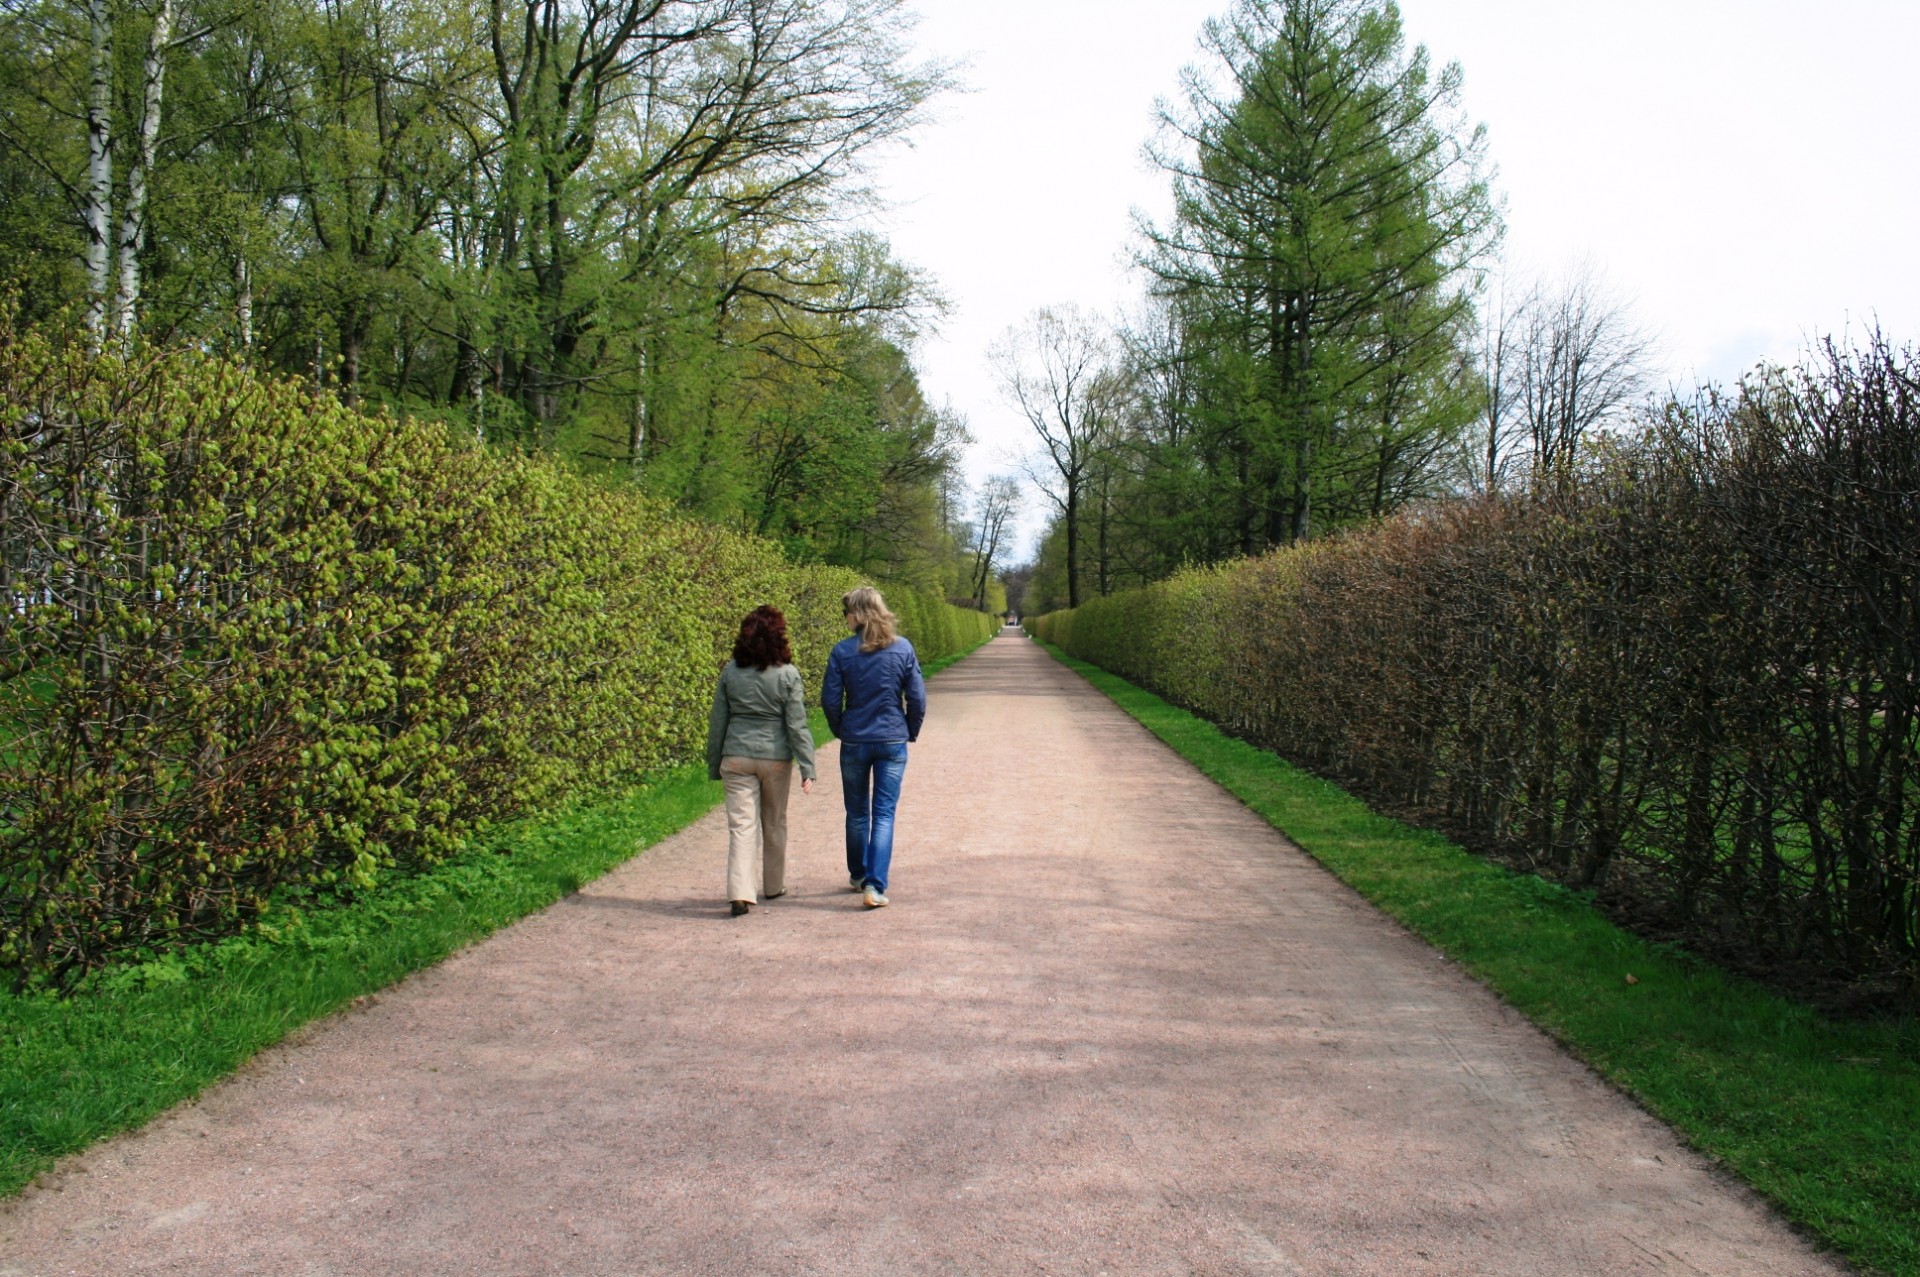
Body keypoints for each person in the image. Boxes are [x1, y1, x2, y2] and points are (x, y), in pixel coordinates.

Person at [706, 605, 816, 917]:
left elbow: (719, 722)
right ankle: (772, 885)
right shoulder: (788, 674)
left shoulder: (730, 672)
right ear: (779, 636)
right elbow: (797, 725)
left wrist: (715, 763)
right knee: (774, 822)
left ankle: (740, 892)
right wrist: (807, 765)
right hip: (776, 758)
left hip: (736, 757)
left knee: (741, 826)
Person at [822, 586, 926, 909]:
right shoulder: (903, 648)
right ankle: (875, 885)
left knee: (856, 813)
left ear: (859, 614)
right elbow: (918, 698)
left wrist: (841, 728)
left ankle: (858, 874)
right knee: (883, 814)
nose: (845, 618)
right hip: (891, 739)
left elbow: (829, 700)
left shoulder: (842, 652)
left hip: (855, 738)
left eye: (847, 612)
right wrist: (909, 729)